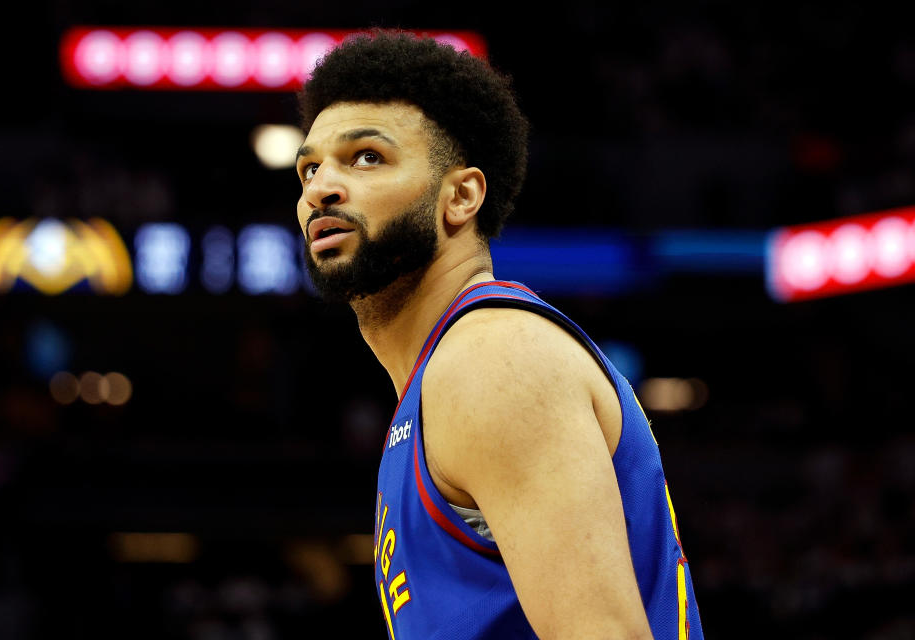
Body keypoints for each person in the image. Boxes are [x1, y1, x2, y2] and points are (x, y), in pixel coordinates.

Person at [294, 30, 703, 640]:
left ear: (460, 196)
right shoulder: (441, 381)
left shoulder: (493, 360)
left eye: (367, 158)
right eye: (309, 166)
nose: (320, 187)